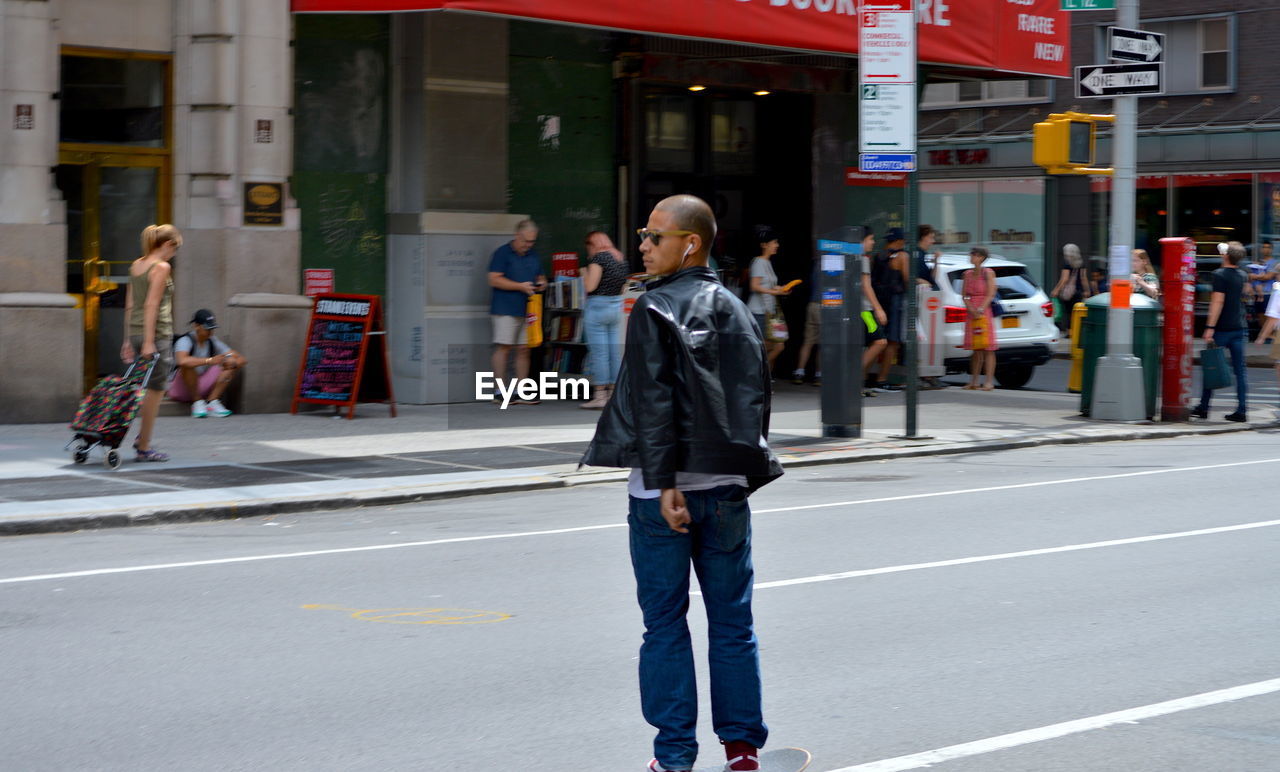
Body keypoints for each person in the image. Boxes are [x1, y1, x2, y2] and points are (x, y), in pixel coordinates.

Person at [581, 194, 782, 772]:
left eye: (653, 236)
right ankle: (742, 751)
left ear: (689, 243)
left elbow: (653, 401)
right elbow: (754, 401)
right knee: (733, 623)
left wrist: (667, 481)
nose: (641, 245)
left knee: (664, 625)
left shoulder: (653, 307)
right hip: (724, 493)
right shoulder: (739, 309)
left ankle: (673, 758)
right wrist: (740, 478)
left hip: (659, 494)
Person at [120, 224, 179, 462]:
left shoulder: (137, 265)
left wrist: (127, 339)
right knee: (155, 390)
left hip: (136, 332)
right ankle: (144, 445)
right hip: (156, 335)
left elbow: (130, 304)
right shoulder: (161, 267)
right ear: (166, 245)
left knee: (145, 389)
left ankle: (142, 439)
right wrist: (148, 341)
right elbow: (151, 305)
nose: (174, 254)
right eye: (175, 249)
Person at [487, 219, 546, 404]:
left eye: (532, 242)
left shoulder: (533, 255)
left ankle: (521, 391)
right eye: (525, 241)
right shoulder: (502, 253)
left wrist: (542, 283)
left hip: (527, 309)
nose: (528, 245)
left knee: (523, 349)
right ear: (516, 235)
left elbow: (540, 275)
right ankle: (499, 391)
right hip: (505, 307)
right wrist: (519, 286)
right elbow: (494, 279)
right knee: (503, 347)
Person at [1193, 243, 1249, 422]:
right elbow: (1245, 296)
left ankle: (1203, 407)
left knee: (1211, 366)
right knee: (1240, 371)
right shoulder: (1243, 275)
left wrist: (1209, 327)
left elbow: (1218, 302)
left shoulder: (1219, 275)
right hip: (1239, 328)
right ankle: (1241, 410)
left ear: (1225, 256)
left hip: (1222, 329)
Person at [580, 231, 630, 409]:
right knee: (614, 353)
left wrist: (583, 272)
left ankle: (600, 395)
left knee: (599, 353)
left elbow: (590, 286)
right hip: (616, 306)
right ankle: (614, 394)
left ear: (592, 244)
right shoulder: (620, 258)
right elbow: (624, 286)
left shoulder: (598, 259)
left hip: (598, 308)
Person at [169, 309, 247, 417]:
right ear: (196, 326)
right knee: (187, 365)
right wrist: (209, 360)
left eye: (212, 328)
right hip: (181, 390)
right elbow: (182, 361)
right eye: (207, 328)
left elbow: (242, 359)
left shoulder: (212, 340)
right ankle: (197, 402)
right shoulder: (185, 340)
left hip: (202, 385)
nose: (210, 332)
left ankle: (212, 403)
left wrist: (231, 362)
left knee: (230, 363)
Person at [747, 226, 791, 373]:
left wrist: (780, 289)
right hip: (759, 312)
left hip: (771, 313)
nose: (777, 245)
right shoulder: (759, 262)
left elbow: (768, 286)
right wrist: (774, 291)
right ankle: (755, 374)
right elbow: (754, 286)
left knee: (779, 346)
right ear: (764, 245)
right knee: (769, 346)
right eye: (774, 242)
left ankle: (759, 376)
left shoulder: (767, 262)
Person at [871, 227, 909, 391]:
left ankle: (866, 376)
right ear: (900, 240)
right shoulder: (902, 256)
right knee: (892, 342)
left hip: (879, 302)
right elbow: (907, 279)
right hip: (895, 301)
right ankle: (882, 379)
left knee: (877, 341)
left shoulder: (878, 256)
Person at [962, 246, 999, 391]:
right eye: (971, 254)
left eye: (974, 254)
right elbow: (964, 294)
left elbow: (991, 293)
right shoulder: (968, 274)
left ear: (981, 257)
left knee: (988, 347)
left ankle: (989, 381)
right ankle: (974, 381)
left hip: (984, 312)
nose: (971, 256)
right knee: (976, 348)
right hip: (972, 312)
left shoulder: (988, 273)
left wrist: (981, 309)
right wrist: (970, 307)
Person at [1049, 243, 1094, 330]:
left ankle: (1069, 331)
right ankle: (1075, 331)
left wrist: (1056, 290)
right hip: (1078, 292)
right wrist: (1087, 290)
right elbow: (1083, 278)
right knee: (1075, 312)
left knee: (1068, 312)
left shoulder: (1067, 265)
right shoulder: (1081, 264)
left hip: (1068, 293)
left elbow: (1064, 279)